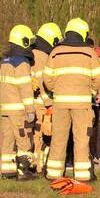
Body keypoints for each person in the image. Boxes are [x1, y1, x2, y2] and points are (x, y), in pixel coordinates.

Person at [43, 18, 100, 182]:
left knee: (58, 139)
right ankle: (82, 175)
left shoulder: (55, 52)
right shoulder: (89, 52)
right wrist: (90, 92)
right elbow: (98, 77)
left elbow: (47, 78)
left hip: (60, 102)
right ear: (83, 33)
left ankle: (54, 173)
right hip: (82, 104)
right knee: (81, 139)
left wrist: (56, 90)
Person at [0, 25, 37, 179]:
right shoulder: (21, 62)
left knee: (8, 140)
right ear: (24, 41)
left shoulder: (5, 61)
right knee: (23, 140)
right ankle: (23, 171)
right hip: (18, 110)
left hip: (6, 109)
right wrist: (30, 110)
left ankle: (7, 171)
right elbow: (25, 89)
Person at [30, 22, 62, 172]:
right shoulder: (42, 57)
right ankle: (39, 166)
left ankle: (33, 163)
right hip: (41, 104)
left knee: (34, 135)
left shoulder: (32, 53)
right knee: (42, 136)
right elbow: (42, 82)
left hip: (31, 102)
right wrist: (50, 103)